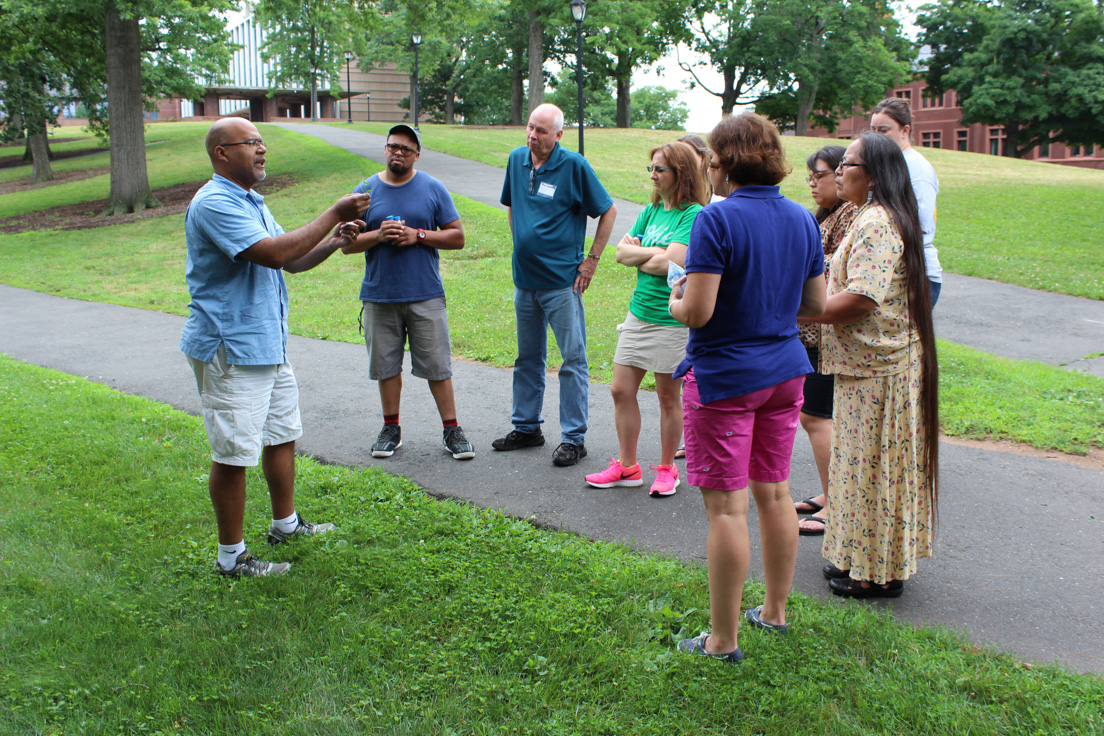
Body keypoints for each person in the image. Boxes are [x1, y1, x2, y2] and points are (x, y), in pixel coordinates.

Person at [180, 118, 370, 577]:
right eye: (252, 143)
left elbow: (292, 260)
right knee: (234, 451)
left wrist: (333, 239)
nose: (262, 150)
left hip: (266, 342)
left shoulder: (250, 202)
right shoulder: (213, 204)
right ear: (222, 153)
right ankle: (232, 558)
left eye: (263, 142)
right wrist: (333, 210)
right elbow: (271, 253)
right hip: (232, 347)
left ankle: (285, 525)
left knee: (281, 432)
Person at [669, 113, 826, 662]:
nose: (709, 171)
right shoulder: (804, 220)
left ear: (726, 163)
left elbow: (698, 311)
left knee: (728, 510)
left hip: (725, 380)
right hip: (785, 373)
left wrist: (676, 295)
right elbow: (816, 307)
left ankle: (722, 641)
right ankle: (776, 612)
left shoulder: (715, 221)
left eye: (712, 161)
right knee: (777, 492)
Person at [803, 131, 939, 598]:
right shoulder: (866, 216)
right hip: (864, 365)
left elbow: (861, 298)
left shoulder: (878, 222)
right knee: (859, 469)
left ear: (875, 175)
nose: (839, 171)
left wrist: (792, 311)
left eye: (849, 165)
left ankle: (878, 574)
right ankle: (858, 557)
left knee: (877, 471)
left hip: (881, 369)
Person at [335, 124, 473, 461]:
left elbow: (457, 237)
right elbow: (346, 247)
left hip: (424, 293)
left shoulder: (432, 188)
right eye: (393, 146)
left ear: (416, 155)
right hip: (380, 294)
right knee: (386, 367)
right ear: (385, 149)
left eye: (406, 149)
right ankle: (391, 428)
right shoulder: (365, 190)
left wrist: (419, 235)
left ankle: (452, 429)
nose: (398, 153)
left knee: (438, 366)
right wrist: (378, 235)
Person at [493, 103, 618, 467]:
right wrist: (520, 241)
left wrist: (591, 260)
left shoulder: (573, 166)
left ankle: (573, 438)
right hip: (525, 281)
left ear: (559, 135)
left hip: (562, 283)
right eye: (530, 127)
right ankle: (527, 427)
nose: (533, 135)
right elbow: (512, 203)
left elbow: (607, 210)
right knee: (527, 358)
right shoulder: (517, 159)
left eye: (542, 131)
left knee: (572, 360)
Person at [584, 142, 707, 496]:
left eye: (660, 170)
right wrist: (654, 254)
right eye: (650, 168)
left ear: (679, 174)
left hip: (671, 317)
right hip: (638, 313)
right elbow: (621, 253)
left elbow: (675, 266)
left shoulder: (693, 214)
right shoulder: (650, 212)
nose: (652, 175)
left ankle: (668, 469)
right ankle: (627, 467)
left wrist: (646, 255)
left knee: (669, 398)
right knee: (621, 389)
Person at [793, 146, 858, 536]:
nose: (813, 183)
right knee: (817, 416)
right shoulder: (832, 215)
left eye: (820, 174)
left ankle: (837, 504)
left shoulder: (853, 216)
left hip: (826, 333)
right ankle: (830, 492)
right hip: (814, 332)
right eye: (811, 176)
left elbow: (831, 267)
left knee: (817, 418)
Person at [869, 97, 942, 306]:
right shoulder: (885, 165)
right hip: (891, 270)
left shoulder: (917, 168)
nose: (876, 137)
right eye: (872, 130)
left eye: (883, 130)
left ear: (905, 130)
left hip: (916, 274)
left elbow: (922, 226)